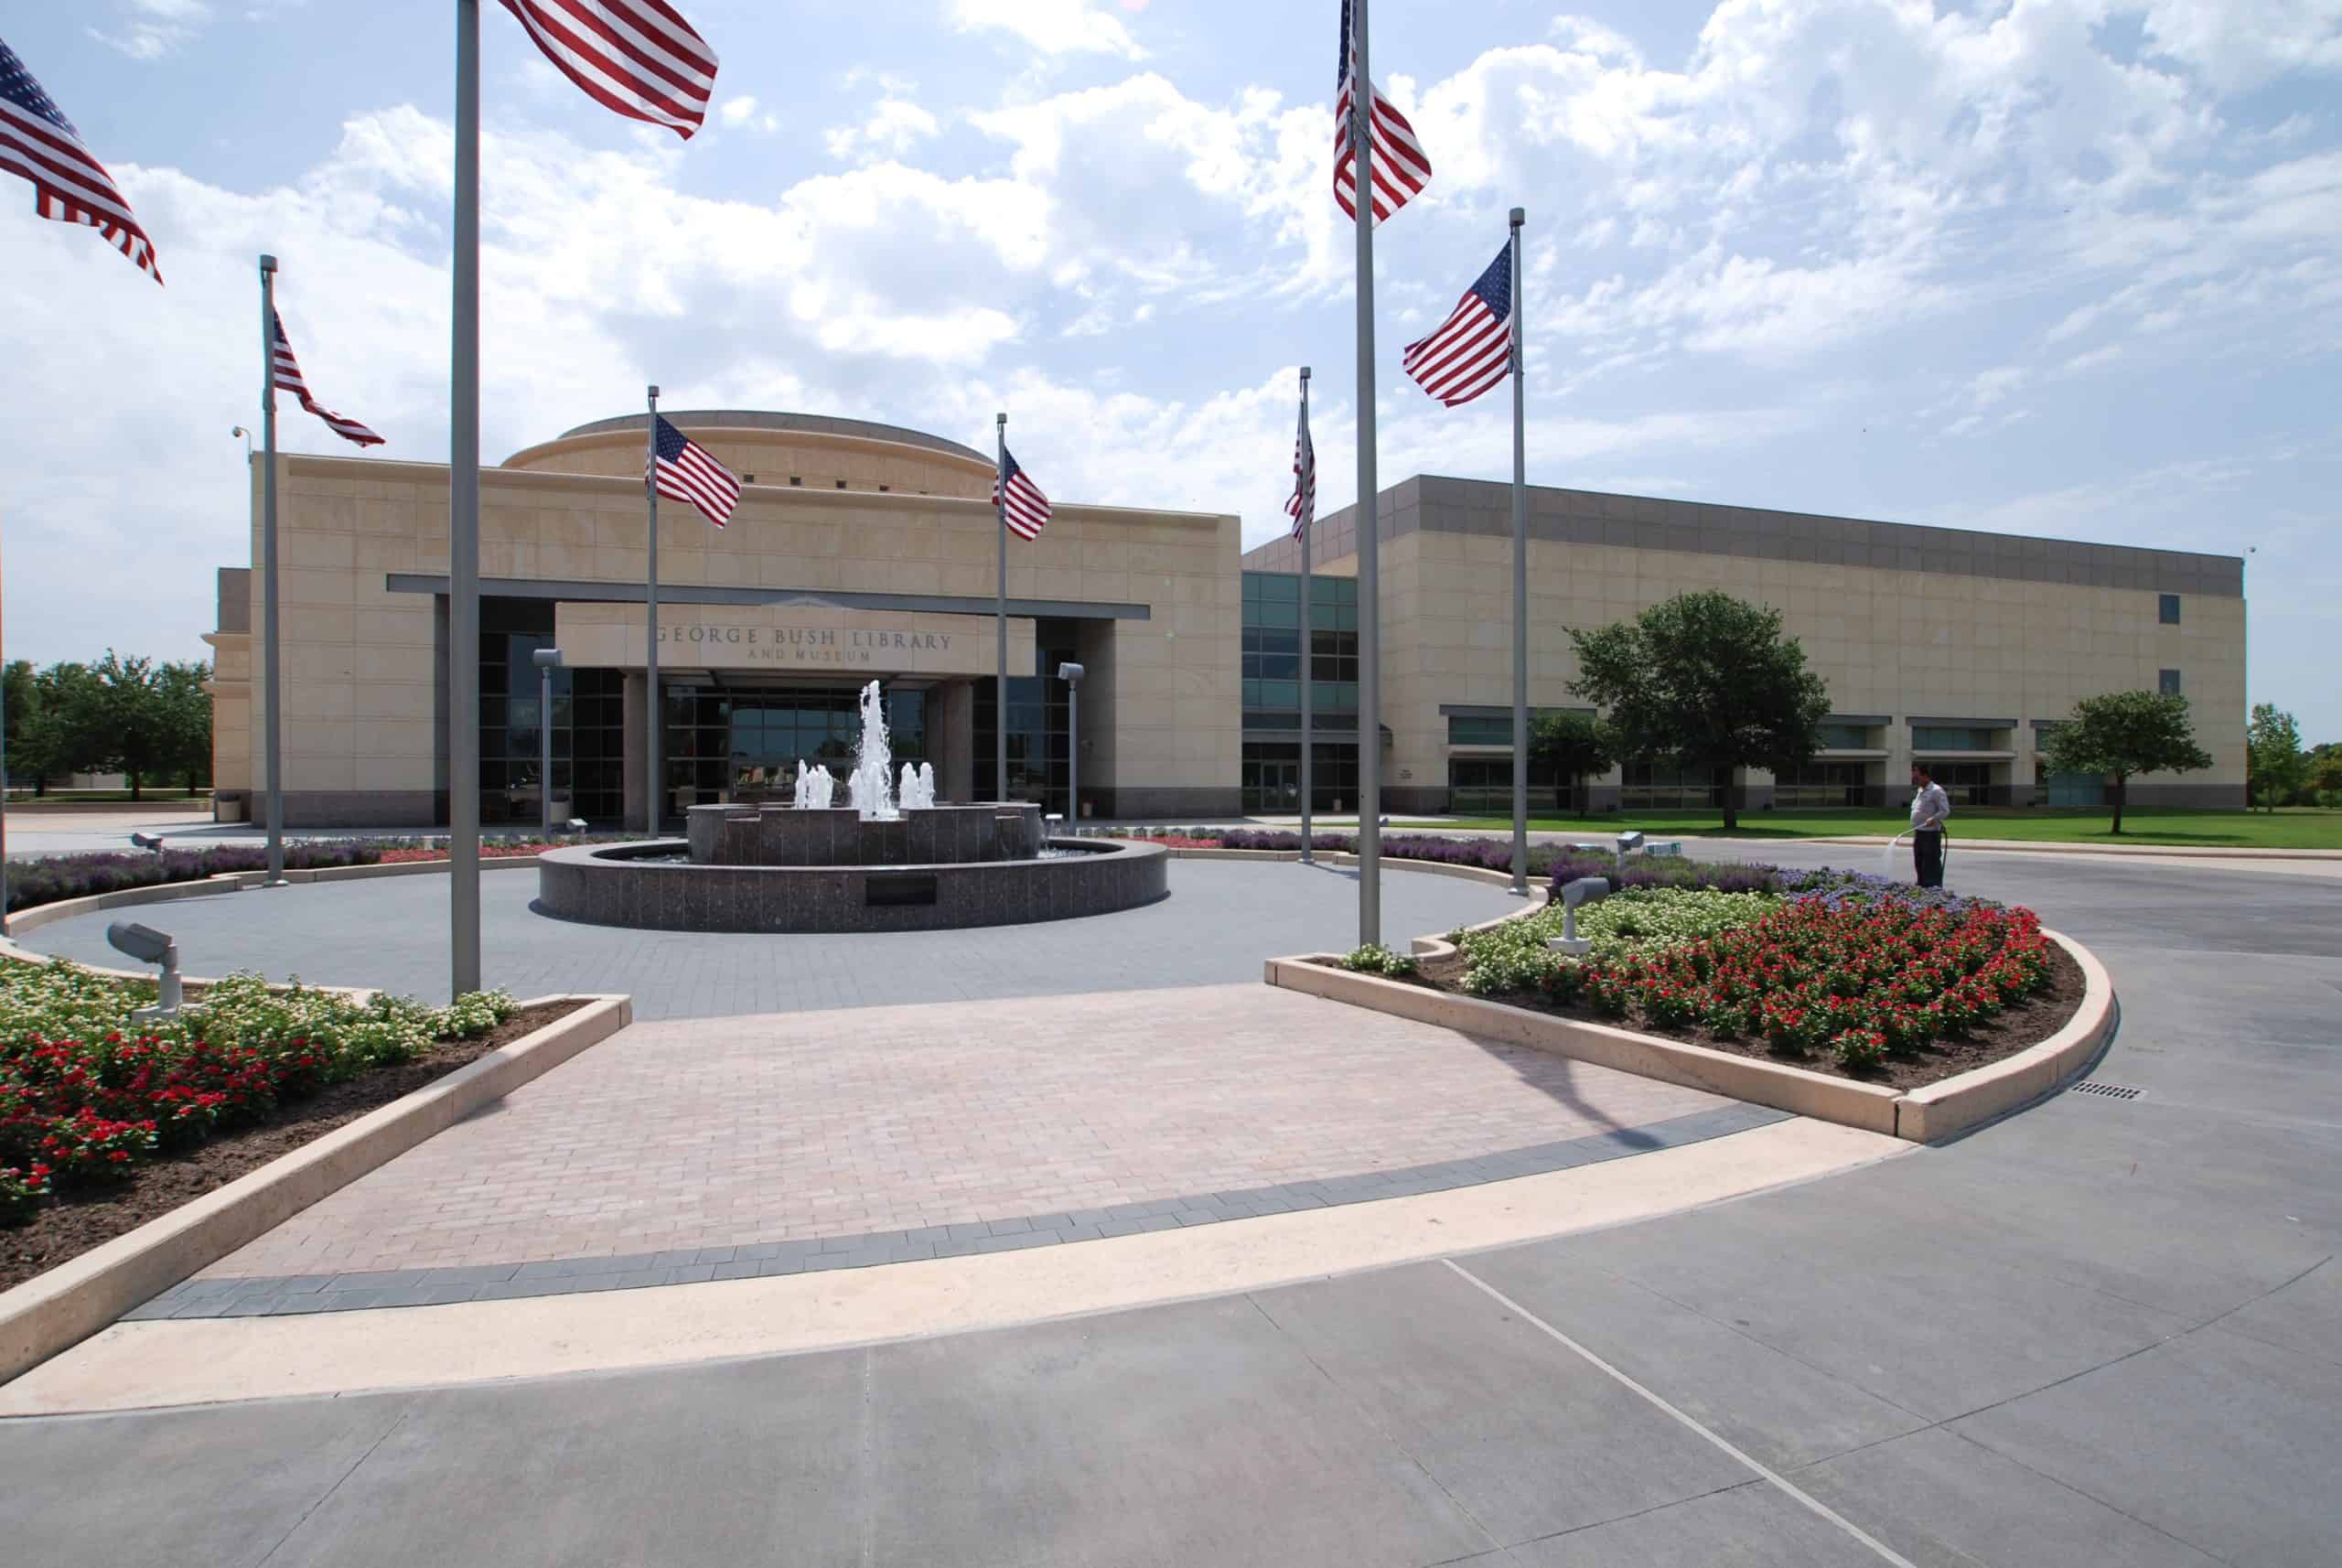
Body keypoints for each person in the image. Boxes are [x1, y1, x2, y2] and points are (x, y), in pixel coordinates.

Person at [1909, 764, 1950, 888]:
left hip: (1931, 834)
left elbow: (1945, 810)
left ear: (1925, 776)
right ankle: (1921, 886)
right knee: (1919, 861)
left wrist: (1933, 819)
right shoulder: (1920, 791)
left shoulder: (1936, 791)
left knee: (1930, 863)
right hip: (1919, 832)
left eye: (1917, 778)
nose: (1915, 781)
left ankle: (1933, 888)